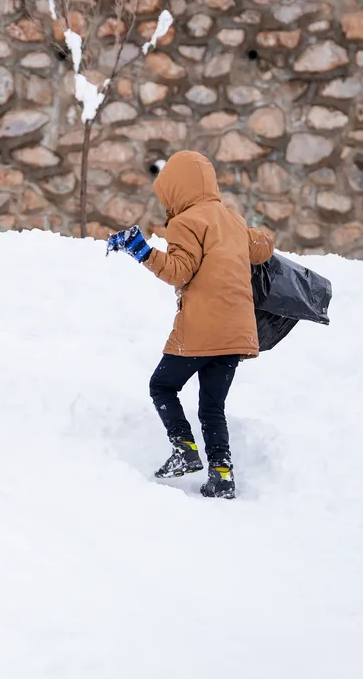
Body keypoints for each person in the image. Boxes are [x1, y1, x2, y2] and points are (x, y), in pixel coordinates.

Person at [107, 150, 274, 499]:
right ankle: (222, 474)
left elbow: (179, 271)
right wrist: (252, 235)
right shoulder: (233, 220)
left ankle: (184, 449)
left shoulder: (185, 222)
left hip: (201, 330)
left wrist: (142, 251)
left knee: (162, 386)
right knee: (212, 407)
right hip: (237, 334)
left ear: (177, 189)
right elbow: (263, 248)